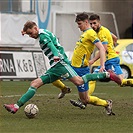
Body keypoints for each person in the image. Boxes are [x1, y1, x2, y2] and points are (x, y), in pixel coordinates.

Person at [3, 21, 120, 114]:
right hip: (55, 66)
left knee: (79, 81)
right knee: (34, 84)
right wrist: (24, 31)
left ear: (35, 28)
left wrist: (55, 55)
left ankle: (107, 74)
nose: (31, 36)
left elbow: (51, 46)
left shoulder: (43, 37)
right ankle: (16, 106)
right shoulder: (42, 31)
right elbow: (38, 33)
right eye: (28, 34)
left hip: (60, 63)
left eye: (31, 33)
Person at [70, 14, 133, 110]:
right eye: (91, 24)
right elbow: (115, 37)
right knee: (92, 79)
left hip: (110, 60)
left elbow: (103, 48)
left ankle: (85, 100)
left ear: (99, 22)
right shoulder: (100, 31)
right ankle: (84, 100)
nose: (93, 25)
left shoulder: (102, 33)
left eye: (95, 23)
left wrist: (94, 60)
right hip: (110, 58)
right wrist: (113, 44)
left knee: (122, 82)